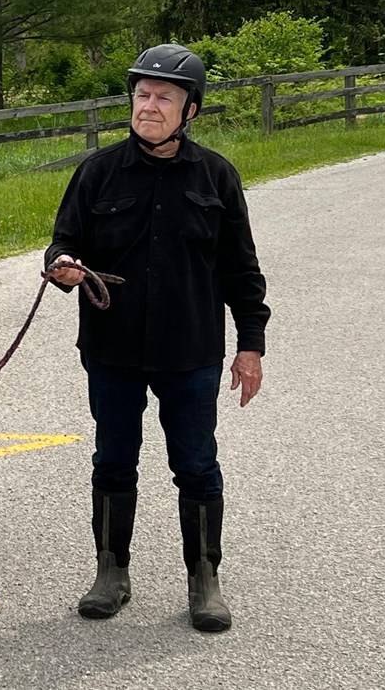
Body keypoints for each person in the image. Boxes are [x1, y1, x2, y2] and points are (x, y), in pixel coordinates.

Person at [44, 43, 269, 632]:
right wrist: (63, 262)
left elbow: (242, 271)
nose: (149, 105)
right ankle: (111, 573)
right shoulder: (96, 172)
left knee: (196, 465)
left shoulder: (217, 176)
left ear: (189, 109)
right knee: (113, 461)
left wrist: (251, 345)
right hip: (111, 350)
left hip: (190, 352)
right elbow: (63, 241)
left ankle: (204, 579)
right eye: (142, 94)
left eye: (164, 97)